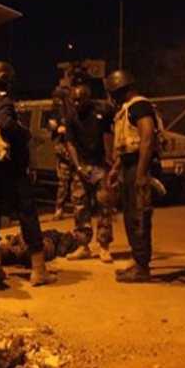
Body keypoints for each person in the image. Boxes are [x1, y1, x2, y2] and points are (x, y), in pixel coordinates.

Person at [0, 61, 57, 287]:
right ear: (5, 78)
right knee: (27, 214)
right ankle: (39, 270)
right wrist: (24, 134)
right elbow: (6, 124)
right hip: (10, 167)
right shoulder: (2, 100)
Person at [105, 70, 160, 282]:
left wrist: (141, 173)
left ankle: (142, 267)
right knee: (130, 215)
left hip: (139, 165)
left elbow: (146, 139)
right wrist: (116, 168)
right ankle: (138, 262)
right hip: (129, 165)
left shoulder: (140, 106)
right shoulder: (126, 110)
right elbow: (126, 145)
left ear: (122, 90)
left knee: (139, 217)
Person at [64, 84, 115, 263]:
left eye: (80, 99)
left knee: (104, 207)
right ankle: (83, 246)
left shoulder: (101, 113)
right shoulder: (71, 117)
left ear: (88, 98)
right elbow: (70, 143)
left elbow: (108, 136)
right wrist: (78, 167)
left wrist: (110, 162)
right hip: (82, 167)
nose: (77, 103)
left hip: (100, 166)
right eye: (74, 100)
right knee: (80, 208)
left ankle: (104, 247)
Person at [48, 86, 74, 220]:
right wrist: (56, 127)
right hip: (63, 149)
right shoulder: (56, 112)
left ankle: (79, 207)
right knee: (63, 182)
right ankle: (59, 208)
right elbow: (53, 127)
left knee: (77, 181)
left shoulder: (73, 111)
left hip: (75, 149)